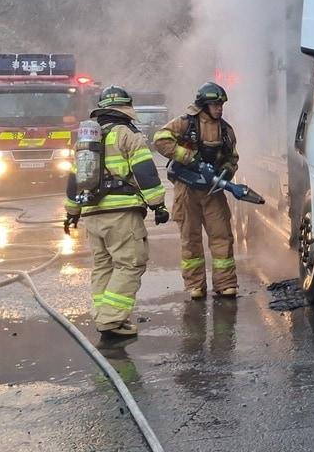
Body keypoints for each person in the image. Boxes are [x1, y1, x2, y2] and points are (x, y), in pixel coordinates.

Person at [63, 86, 169, 350]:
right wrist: (159, 205)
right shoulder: (128, 135)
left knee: (103, 266)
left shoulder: (87, 141)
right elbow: (146, 173)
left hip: (92, 214)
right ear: (126, 108)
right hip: (121, 214)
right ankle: (111, 320)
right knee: (130, 264)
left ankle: (105, 315)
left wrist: (72, 212)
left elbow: (73, 180)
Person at [153, 82, 240, 300]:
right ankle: (195, 286)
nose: (219, 108)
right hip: (187, 189)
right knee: (190, 239)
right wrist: (190, 158)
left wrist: (227, 171)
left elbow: (232, 157)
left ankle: (226, 284)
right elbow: (160, 139)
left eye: (221, 104)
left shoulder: (226, 130)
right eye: (215, 104)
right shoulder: (185, 123)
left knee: (222, 236)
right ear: (203, 105)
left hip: (212, 191)